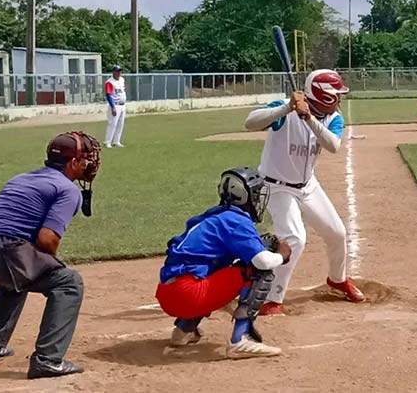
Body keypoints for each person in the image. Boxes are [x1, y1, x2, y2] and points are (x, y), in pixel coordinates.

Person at [0, 131, 101, 379]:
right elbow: (47, 238)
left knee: (21, 272)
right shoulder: (67, 189)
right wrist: (53, 262)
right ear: (73, 162)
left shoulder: (23, 177)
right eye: (86, 158)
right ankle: (48, 360)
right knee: (69, 282)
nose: (90, 164)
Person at [244, 69, 365, 316]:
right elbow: (250, 122)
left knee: (337, 233)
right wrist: (286, 108)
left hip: (307, 186)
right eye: (336, 94)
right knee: (295, 239)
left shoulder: (333, 118)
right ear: (324, 95)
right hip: (276, 186)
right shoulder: (286, 110)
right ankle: (270, 298)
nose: (340, 99)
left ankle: (337, 279)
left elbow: (333, 145)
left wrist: (309, 118)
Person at [155, 167, 292, 359]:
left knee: (214, 268)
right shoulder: (236, 221)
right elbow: (262, 261)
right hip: (188, 294)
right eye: (256, 194)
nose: (258, 199)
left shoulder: (213, 216)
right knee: (257, 270)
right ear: (246, 196)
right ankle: (241, 339)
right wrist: (282, 256)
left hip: (168, 294)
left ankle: (184, 329)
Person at [104, 65, 127, 148]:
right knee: (112, 124)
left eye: (120, 71)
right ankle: (107, 142)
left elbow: (123, 90)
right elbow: (108, 95)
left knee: (120, 124)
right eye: (117, 71)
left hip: (122, 105)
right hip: (115, 105)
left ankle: (116, 141)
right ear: (113, 72)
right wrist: (112, 106)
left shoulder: (122, 80)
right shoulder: (110, 82)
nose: (119, 73)